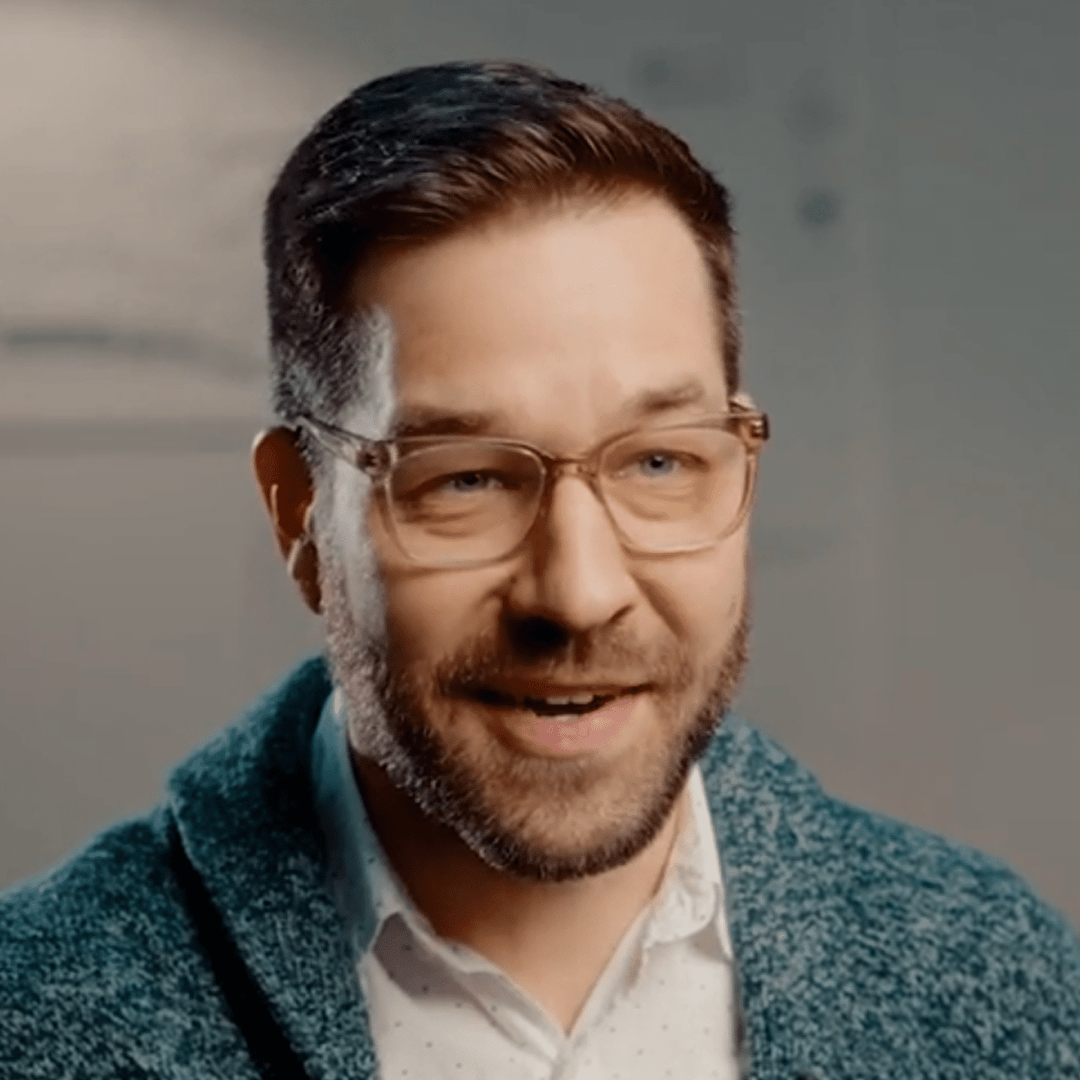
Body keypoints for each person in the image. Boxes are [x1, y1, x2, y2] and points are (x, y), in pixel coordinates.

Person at [2, 60, 1079, 1080]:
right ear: (298, 515)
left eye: (660, 461)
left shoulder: (1001, 976)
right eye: (465, 478)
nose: (577, 592)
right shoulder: (36, 1013)